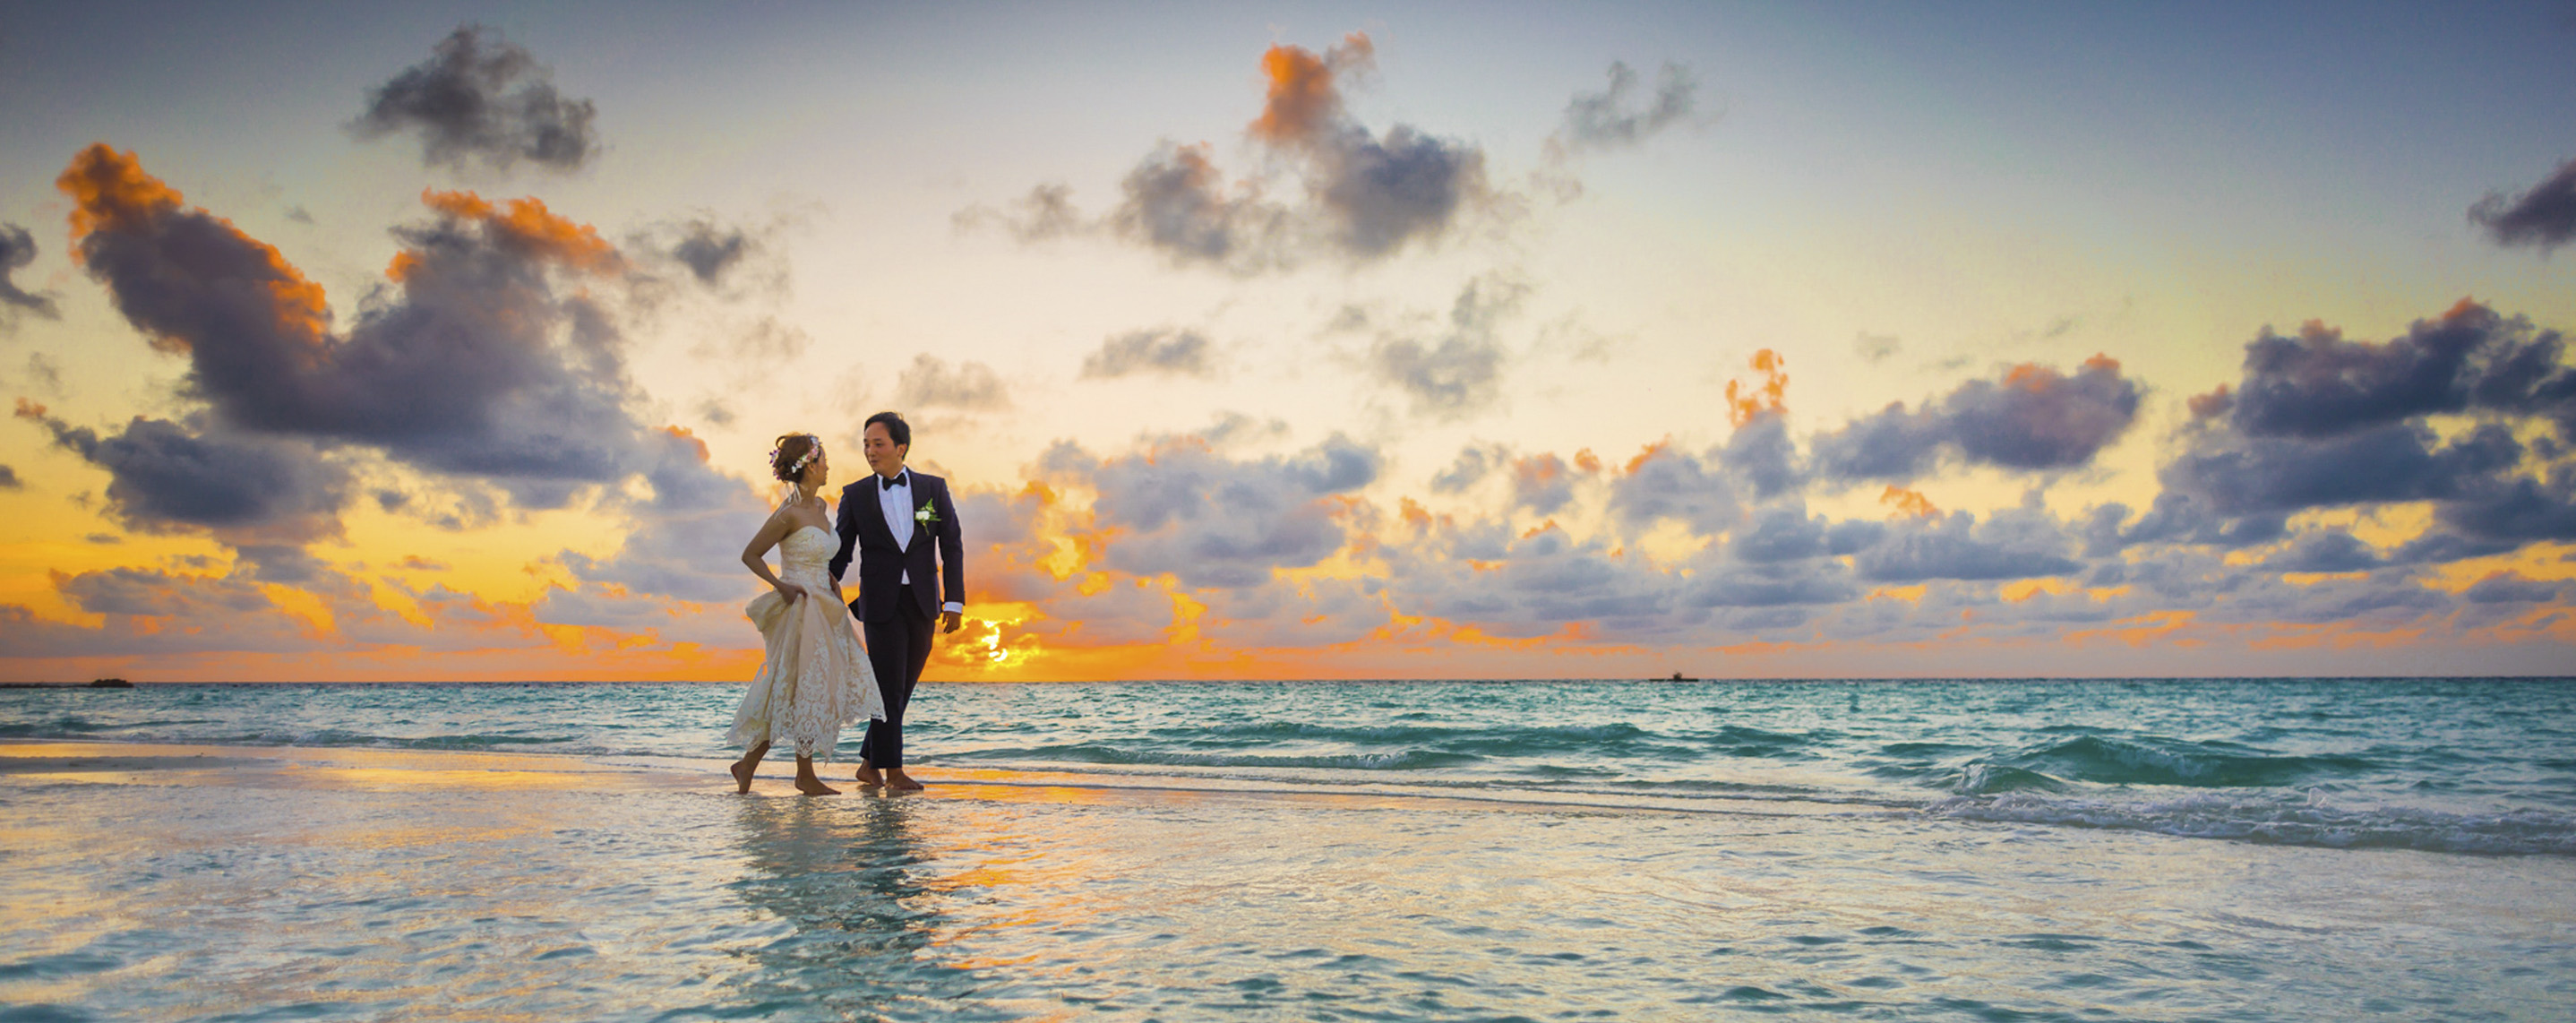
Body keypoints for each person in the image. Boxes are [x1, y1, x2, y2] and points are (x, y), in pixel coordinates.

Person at [728, 434, 884, 795]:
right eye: (824, 459)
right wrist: (780, 585)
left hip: (826, 606)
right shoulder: (789, 513)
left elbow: (821, 551)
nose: (829, 465)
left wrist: (830, 576)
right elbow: (750, 554)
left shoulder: (822, 508)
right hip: (798, 607)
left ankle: (748, 764)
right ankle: (804, 774)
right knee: (801, 686)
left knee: (810, 687)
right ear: (811, 465)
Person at [829, 411, 963, 792]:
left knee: (903, 687)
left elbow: (951, 546)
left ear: (900, 447)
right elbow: (843, 550)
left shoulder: (933, 488)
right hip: (880, 603)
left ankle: (869, 764)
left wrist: (954, 601)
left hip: (923, 601)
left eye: (878, 444)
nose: (870, 452)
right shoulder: (854, 495)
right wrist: (822, 581)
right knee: (888, 687)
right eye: (866, 445)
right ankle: (894, 772)